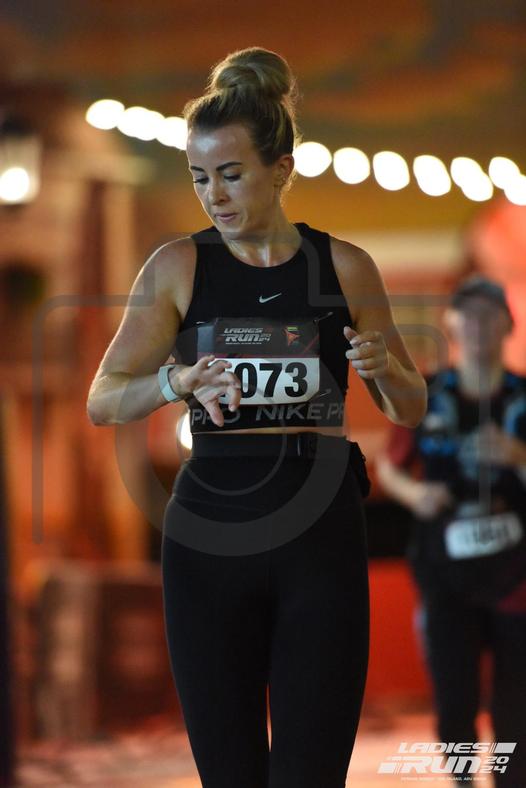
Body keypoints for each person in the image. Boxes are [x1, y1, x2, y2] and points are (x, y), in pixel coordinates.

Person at [87, 46, 427, 788]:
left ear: (281, 169)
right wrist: (175, 380)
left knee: (311, 773)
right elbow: (103, 397)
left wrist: (384, 369)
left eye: (232, 174)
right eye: (199, 176)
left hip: (319, 529)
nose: (214, 195)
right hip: (211, 531)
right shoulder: (177, 267)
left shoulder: (345, 267)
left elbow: (411, 404)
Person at [376, 274, 526, 787]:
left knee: (517, 699)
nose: (479, 324)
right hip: (444, 570)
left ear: (509, 324)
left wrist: (518, 456)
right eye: (469, 314)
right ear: (451, 324)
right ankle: (462, 780)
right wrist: (416, 494)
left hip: (517, 576)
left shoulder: (522, 397)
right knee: (454, 693)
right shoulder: (426, 394)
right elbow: (389, 466)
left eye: (490, 314)